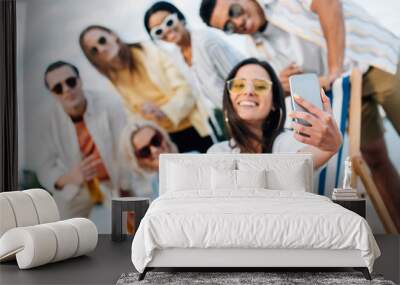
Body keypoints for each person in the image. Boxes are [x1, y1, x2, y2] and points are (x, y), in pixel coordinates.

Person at [200, 0, 400, 225]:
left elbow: (329, 6)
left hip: (375, 59)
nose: (237, 23)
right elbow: (294, 85)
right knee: (376, 160)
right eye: (228, 26)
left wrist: (334, 69)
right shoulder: (257, 48)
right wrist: (281, 85)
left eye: (233, 11)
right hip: (344, 90)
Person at [79, 25, 212, 153]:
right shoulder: (113, 82)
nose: (101, 49)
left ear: (113, 35)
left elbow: (185, 89)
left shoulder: (149, 50)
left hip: (195, 125)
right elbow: (132, 117)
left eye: (102, 40)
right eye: (94, 50)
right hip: (161, 141)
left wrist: (164, 112)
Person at [208, 58, 342, 170]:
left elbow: (306, 159)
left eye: (260, 86)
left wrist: (330, 146)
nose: (248, 91)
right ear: (229, 98)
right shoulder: (217, 152)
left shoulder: (287, 143)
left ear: (273, 103)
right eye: (238, 85)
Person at [36, 61, 129, 219]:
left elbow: (126, 145)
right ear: (53, 93)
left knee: (134, 228)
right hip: (76, 188)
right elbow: (44, 168)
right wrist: (70, 177)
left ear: (80, 80)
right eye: (58, 88)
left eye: (71, 82)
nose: (67, 90)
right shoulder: (46, 121)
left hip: (114, 180)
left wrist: (125, 183)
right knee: (60, 229)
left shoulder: (109, 103)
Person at [144, 1, 245, 141]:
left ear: (179, 17)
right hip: (226, 117)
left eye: (168, 22)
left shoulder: (206, 41)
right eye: (158, 31)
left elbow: (240, 78)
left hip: (245, 108)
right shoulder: (176, 56)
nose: (166, 30)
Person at [120, 120, 177, 200]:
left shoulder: (197, 159)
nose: (154, 150)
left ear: (163, 136)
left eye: (155, 140)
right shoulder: (155, 184)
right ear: (139, 161)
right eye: (145, 151)